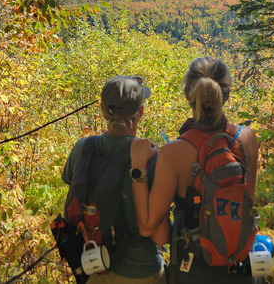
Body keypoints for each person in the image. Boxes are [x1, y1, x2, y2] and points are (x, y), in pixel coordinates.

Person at [130, 57, 259, 283]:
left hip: (193, 270)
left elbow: (148, 226)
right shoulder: (247, 139)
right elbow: (247, 200)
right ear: (226, 95)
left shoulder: (173, 153)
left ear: (188, 96)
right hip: (240, 265)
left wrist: (139, 169)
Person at [61, 75, 168, 284]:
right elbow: (160, 236)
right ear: (141, 112)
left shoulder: (83, 149)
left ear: (102, 109)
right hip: (143, 272)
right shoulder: (151, 158)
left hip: (95, 270)